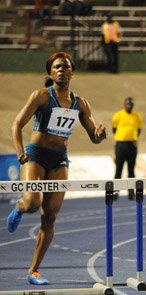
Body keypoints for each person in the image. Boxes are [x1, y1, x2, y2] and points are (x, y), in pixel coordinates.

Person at [6, 52, 107, 285]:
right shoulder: (42, 96)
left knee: (50, 216)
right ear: (50, 72)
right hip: (35, 156)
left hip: (60, 160)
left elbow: (93, 136)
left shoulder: (80, 103)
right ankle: (20, 209)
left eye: (66, 67)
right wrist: (20, 151)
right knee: (33, 203)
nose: (62, 70)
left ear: (72, 72)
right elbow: (17, 124)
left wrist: (100, 135)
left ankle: (34, 270)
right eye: (57, 67)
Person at [112, 97, 143, 201]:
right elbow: (114, 129)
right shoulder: (118, 115)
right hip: (120, 145)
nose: (129, 105)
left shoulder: (137, 117)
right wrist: (123, 138)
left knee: (131, 170)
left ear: (133, 105)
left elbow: (139, 130)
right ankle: (115, 192)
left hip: (132, 145)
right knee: (118, 169)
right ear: (124, 104)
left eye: (131, 104)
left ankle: (131, 193)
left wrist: (132, 138)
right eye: (127, 104)